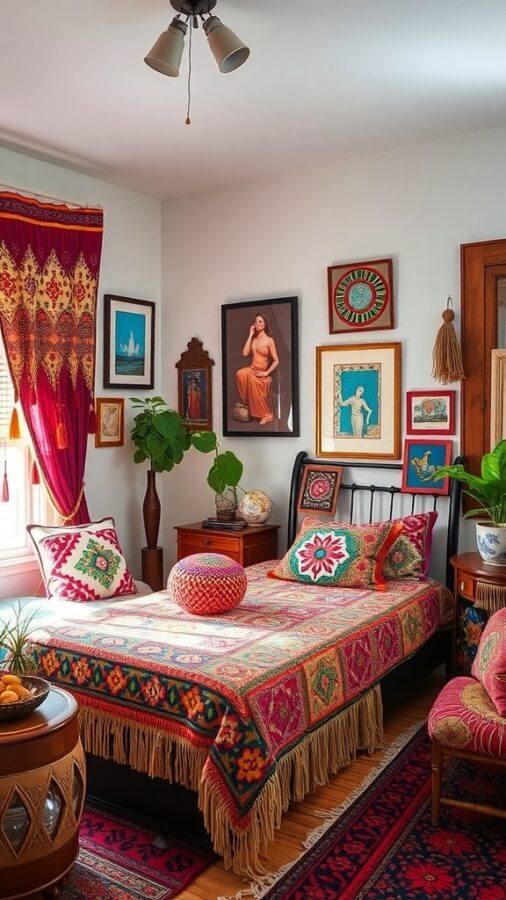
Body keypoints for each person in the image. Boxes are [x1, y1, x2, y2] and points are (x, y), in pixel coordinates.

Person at [235, 314, 279, 426]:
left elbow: (276, 360)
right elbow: (245, 353)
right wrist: (250, 334)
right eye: (256, 322)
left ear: (265, 324)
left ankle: (266, 414)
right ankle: (248, 404)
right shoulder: (254, 340)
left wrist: (266, 372)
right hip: (252, 369)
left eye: (260, 321)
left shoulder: (269, 340)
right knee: (240, 374)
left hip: (262, 372)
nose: (257, 324)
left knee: (251, 378)